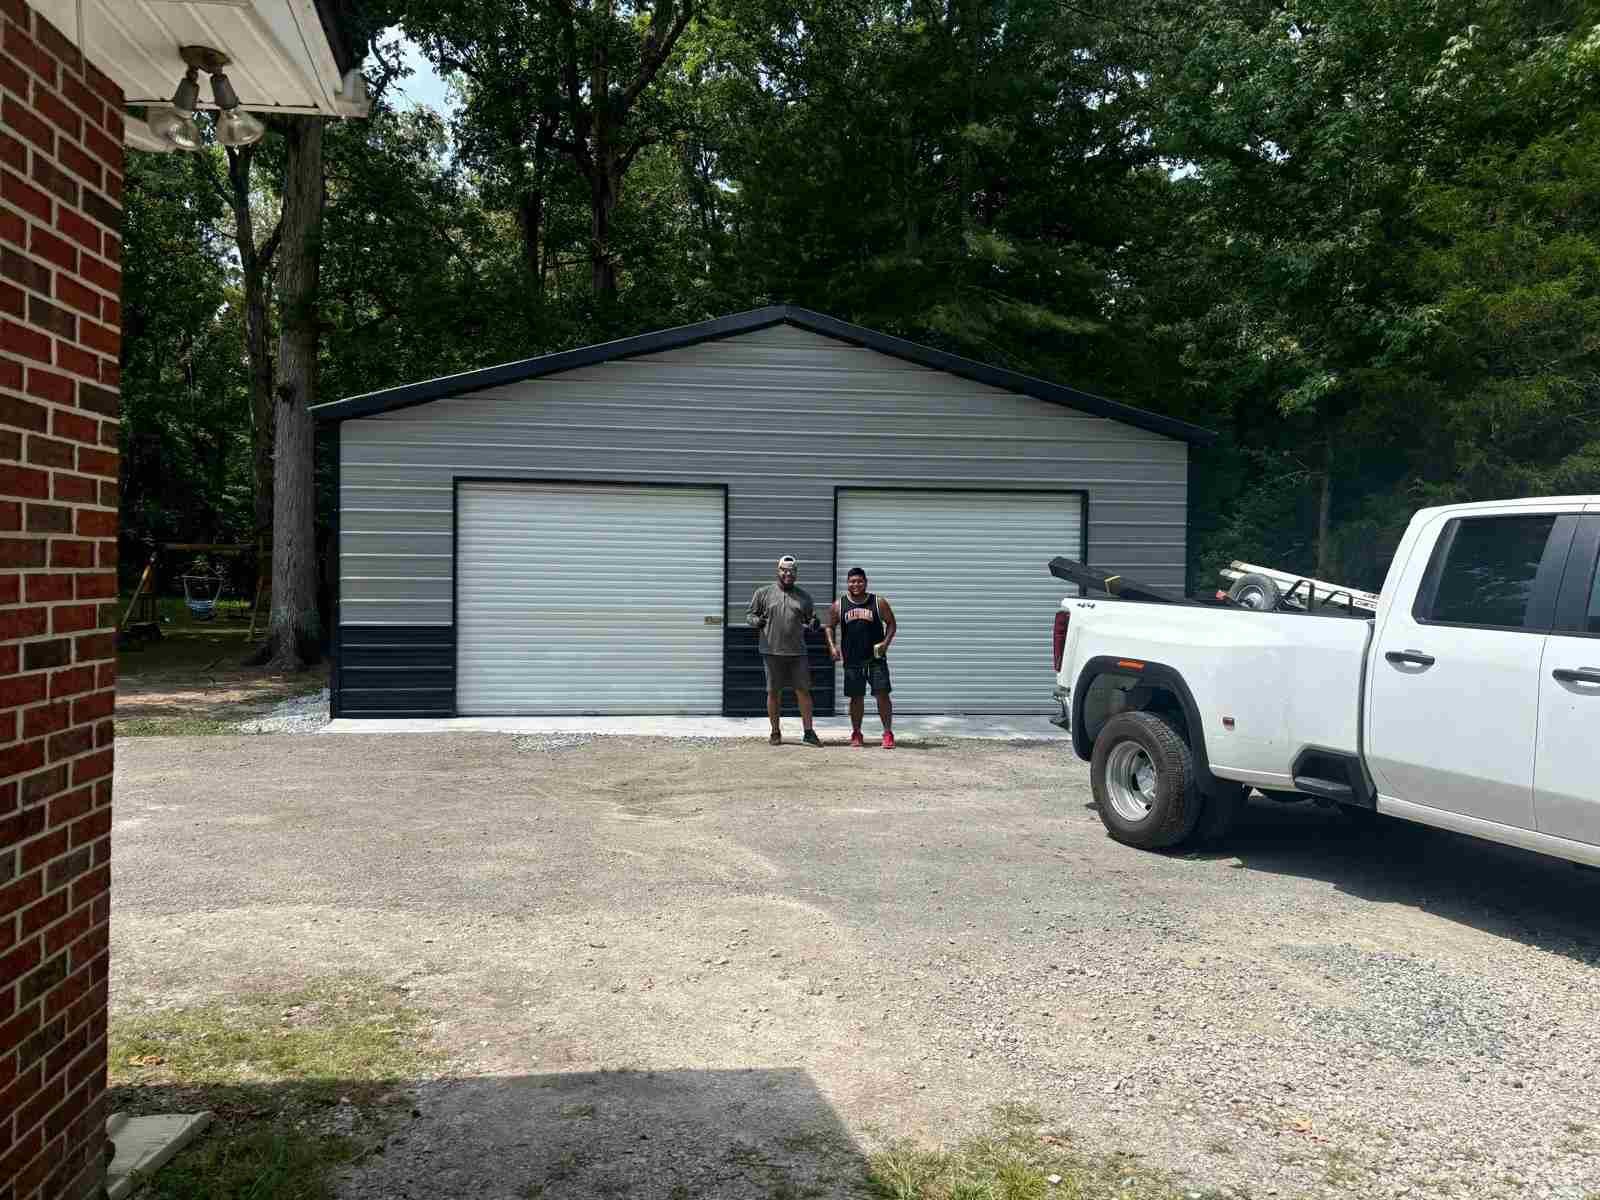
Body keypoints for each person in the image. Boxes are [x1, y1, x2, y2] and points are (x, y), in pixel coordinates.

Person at [747, 555, 823, 746]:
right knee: (773, 693)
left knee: (803, 691)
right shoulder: (763, 593)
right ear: (778, 570)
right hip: (771, 652)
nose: (788, 573)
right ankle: (775, 732)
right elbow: (750, 615)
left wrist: (814, 623)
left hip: (798, 653)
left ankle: (808, 732)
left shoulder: (804, 597)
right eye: (784, 570)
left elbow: (810, 620)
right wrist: (756, 621)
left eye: (792, 570)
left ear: (796, 573)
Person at [825, 566, 897, 749]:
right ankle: (856, 733)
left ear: (865, 582)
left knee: (882, 695)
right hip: (852, 659)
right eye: (852, 581)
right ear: (847, 583)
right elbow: (829, 626)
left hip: (875, 659)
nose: (855, 584)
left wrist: (885, 643)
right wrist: (832, 647)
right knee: (856, 698)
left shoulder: (878, 602)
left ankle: (888, 733)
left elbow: (891, 624)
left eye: (859, 581)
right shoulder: (839, 605)